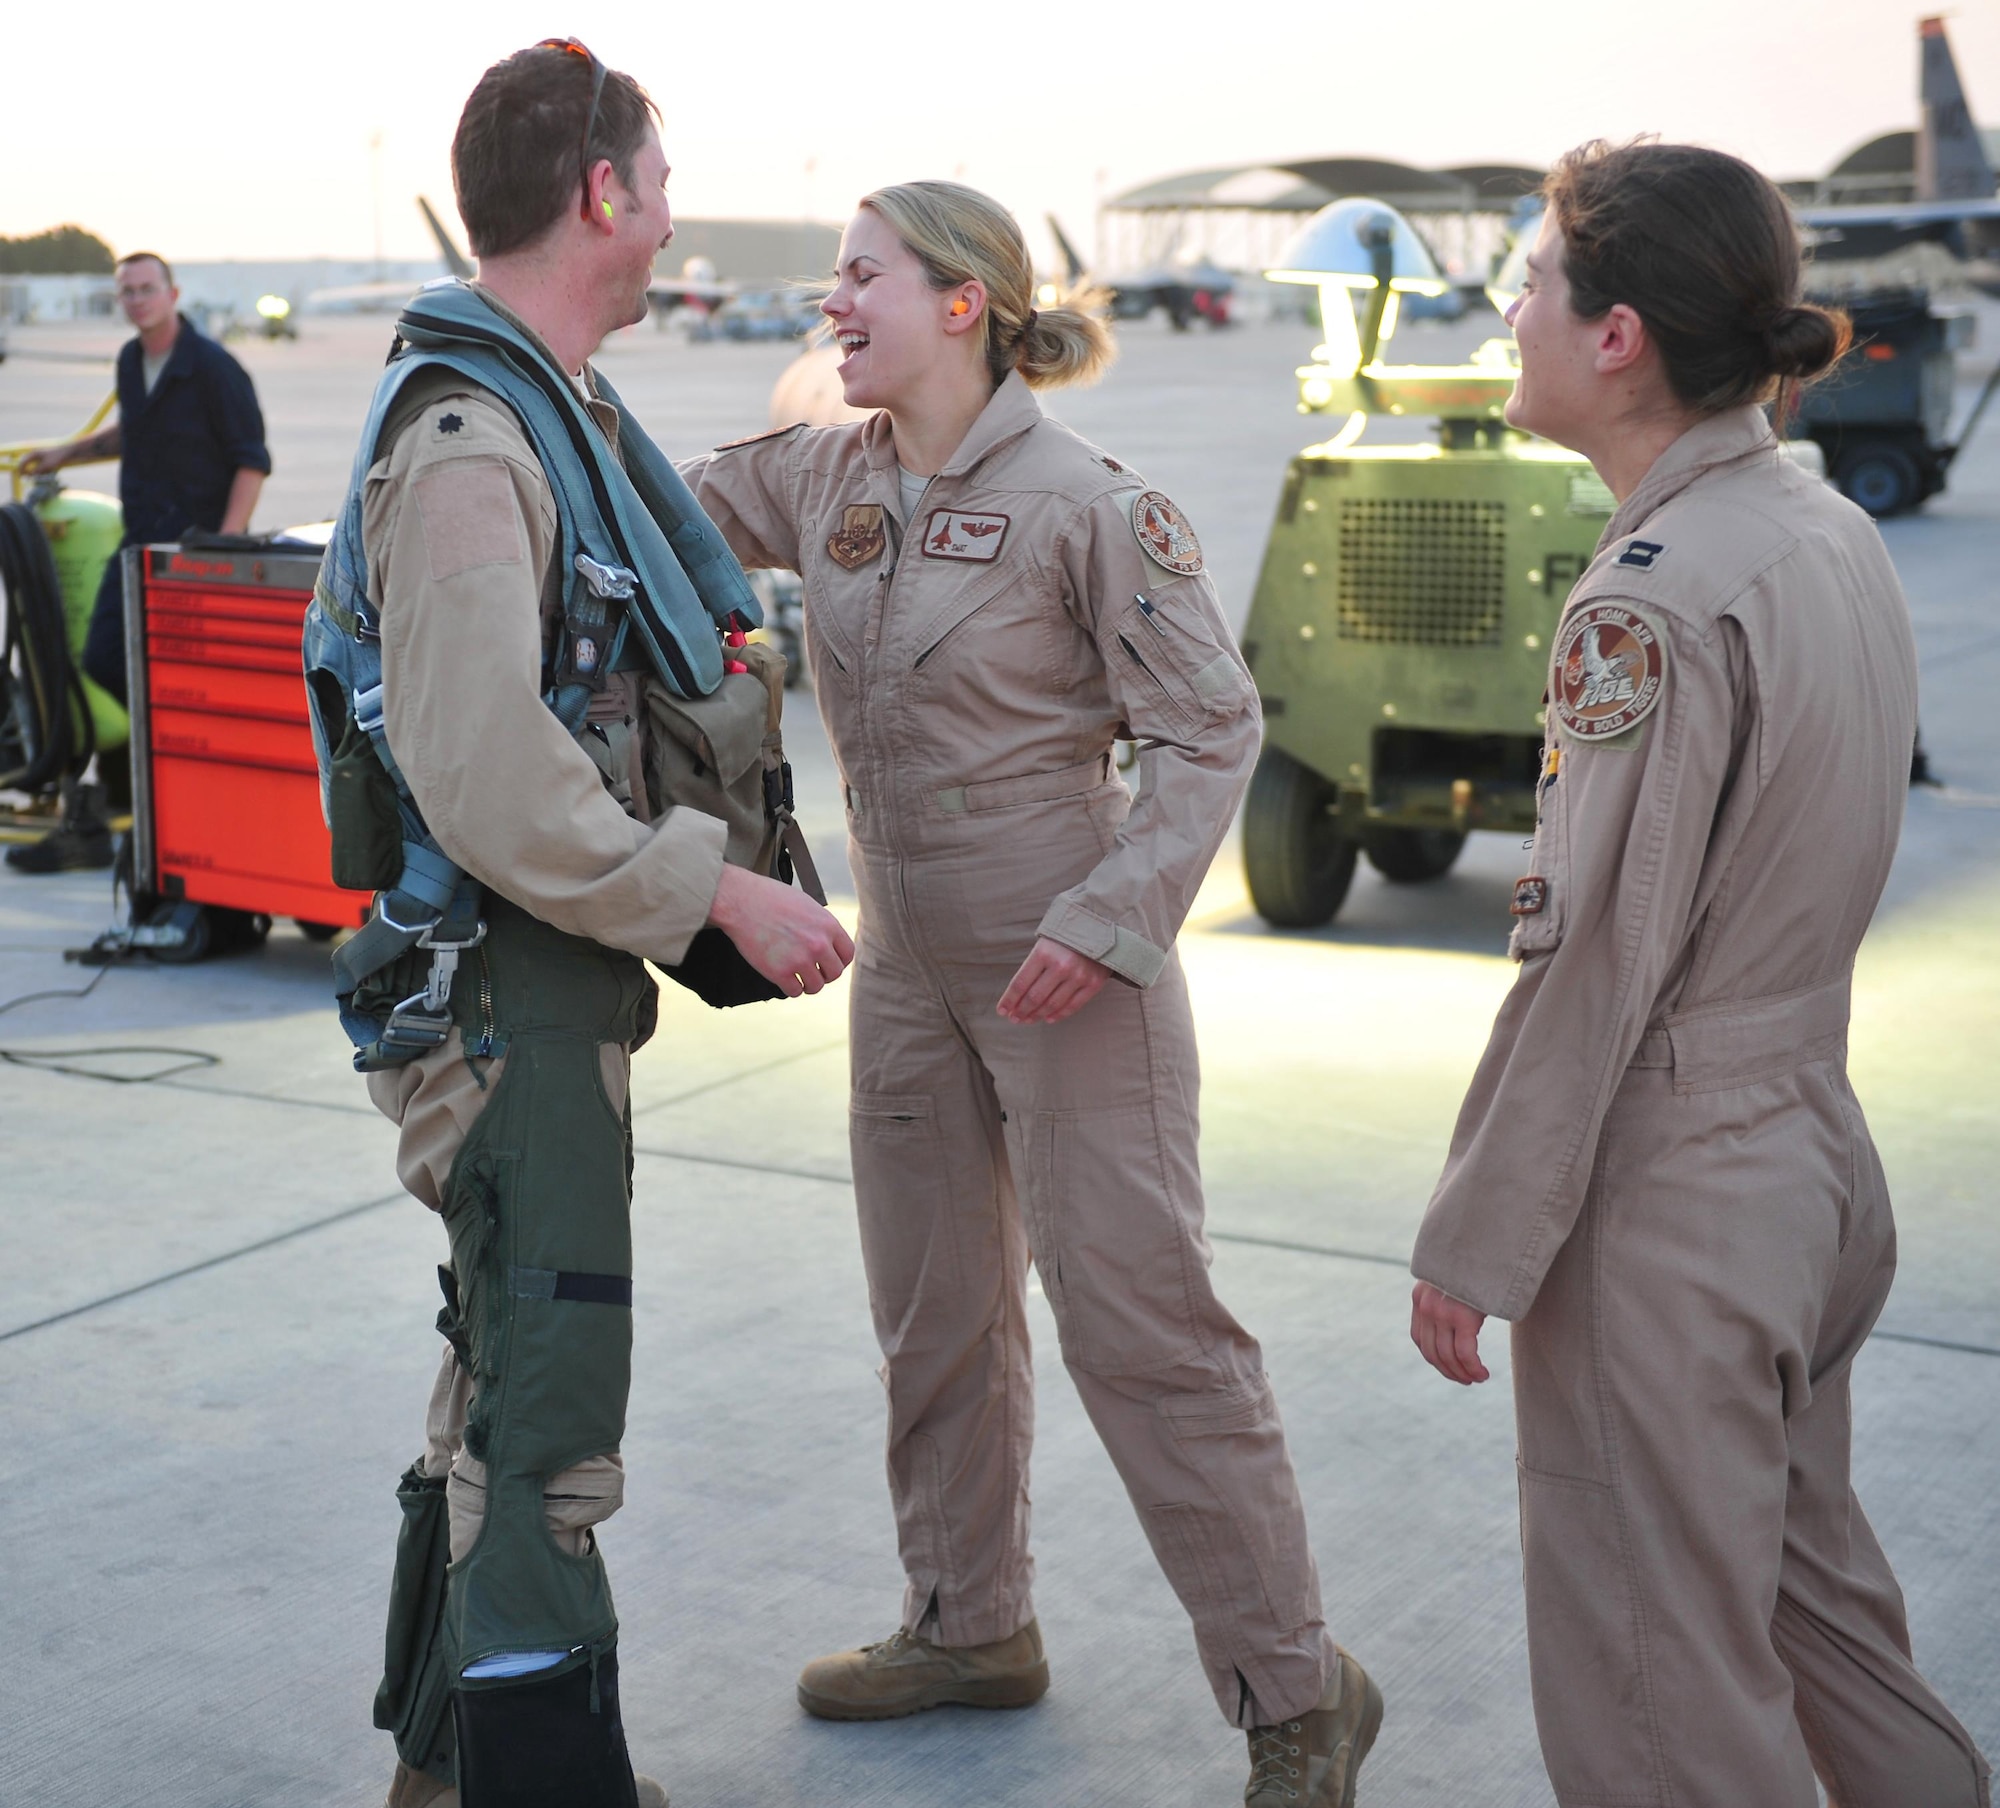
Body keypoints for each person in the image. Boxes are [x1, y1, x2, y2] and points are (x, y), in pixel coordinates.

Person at [683, 180, 1380, 1808]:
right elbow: (650, 506)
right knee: (932, 1317)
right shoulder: (827, 474)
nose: (834, 302)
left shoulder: (1091, 505)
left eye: (861, 277)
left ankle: (1297, 1690)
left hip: (1074, 975)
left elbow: (1213, 730)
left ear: (963, 302)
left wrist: (1120, 911)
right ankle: (967, 1619)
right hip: (907, 972)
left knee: (1147, 1334)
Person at [1408, 141, 1991, 1808]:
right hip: (1806, 1153)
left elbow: (1601, 955)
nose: (1510, 312)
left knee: (1657, 1706)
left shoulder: (1656, 596)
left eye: (1532, 282)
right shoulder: (1817, 527)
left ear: (1619, 335)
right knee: (1823, 1635)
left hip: (1674, 1196)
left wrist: (1482, 1227)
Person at [323, 43, 854, 1808]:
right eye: (664, 173)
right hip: (504, 1001)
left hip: (535, 987)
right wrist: (713, 887)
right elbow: (484, 768)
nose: (677, 209)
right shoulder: (480, 443)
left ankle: (444, 1773)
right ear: (604, 196)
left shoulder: (553, 418)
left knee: (497, 1395)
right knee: (547, 1428)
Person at [12, 251, 270, 872]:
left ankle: (177, 795)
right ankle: (139, 785)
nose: (136, 300)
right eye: (126, 292)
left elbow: (251, 459)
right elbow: (133, 432)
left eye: (146, 289)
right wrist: (63, 456)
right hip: (139, 546)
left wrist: (226, 541)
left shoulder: (212, 368)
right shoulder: (132, 361)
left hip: (197, 554)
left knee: (185, 679)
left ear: (172, 292)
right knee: (106, 657)